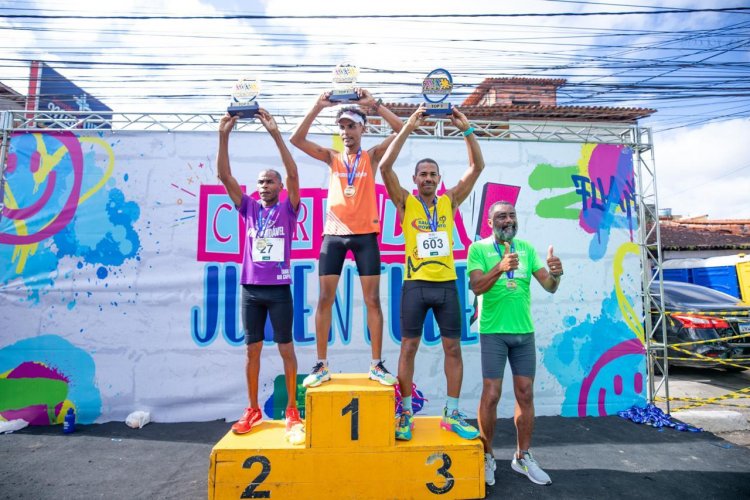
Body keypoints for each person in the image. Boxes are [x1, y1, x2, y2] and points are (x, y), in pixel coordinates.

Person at [378, 104, 485, 441]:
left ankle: (451, 413)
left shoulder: (449, 201)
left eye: (432, 175)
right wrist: (410, 124)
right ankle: (405, 413)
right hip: (415, 286)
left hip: (446, 286)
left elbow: (477, 166)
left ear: (439, 180)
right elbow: (384, 166)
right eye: (422, 174)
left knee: (453, 349)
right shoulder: (404, 202)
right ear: (415, 179)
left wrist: (466, 128)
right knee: (408, 347)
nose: (427, 179)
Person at [290, 88, 403, 388]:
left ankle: (376, 365)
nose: (346, 132)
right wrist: (318, 106)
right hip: (334, 236)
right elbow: (296, 140)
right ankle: (322, 364)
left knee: (372, 301)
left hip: (365, 235)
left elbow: (403, 129)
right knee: (325, 298)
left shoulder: (373, 156)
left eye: (351, 126)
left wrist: (374, 103)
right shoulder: (332, 157)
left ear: (362, 128)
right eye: (342, 127)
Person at [216, 109, 304, 443]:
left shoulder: (288, 208)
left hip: (280, 290)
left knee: (286, 349)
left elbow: (294, 171)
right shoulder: (249, 208)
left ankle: (293, 409)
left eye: (269, 181)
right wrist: (223, 135)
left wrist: (275, 133)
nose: (263, 186)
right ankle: (252, 409)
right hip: (251, 290)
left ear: (280, 186)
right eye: (260, 182)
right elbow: (224, 176)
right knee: (251, 351)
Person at [467, 200, 563, 486]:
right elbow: (476, 285)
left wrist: (556, 273)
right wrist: (499, 267)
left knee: (525, 394)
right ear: (490, 221)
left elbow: (550, 286)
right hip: (494, 332)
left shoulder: (528, 249)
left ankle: (523, 457)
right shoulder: (478, 249)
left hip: (524, 334)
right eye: (501, 216)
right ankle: (487, 456)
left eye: (511, 215)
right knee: (492, 394)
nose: (508, 220)